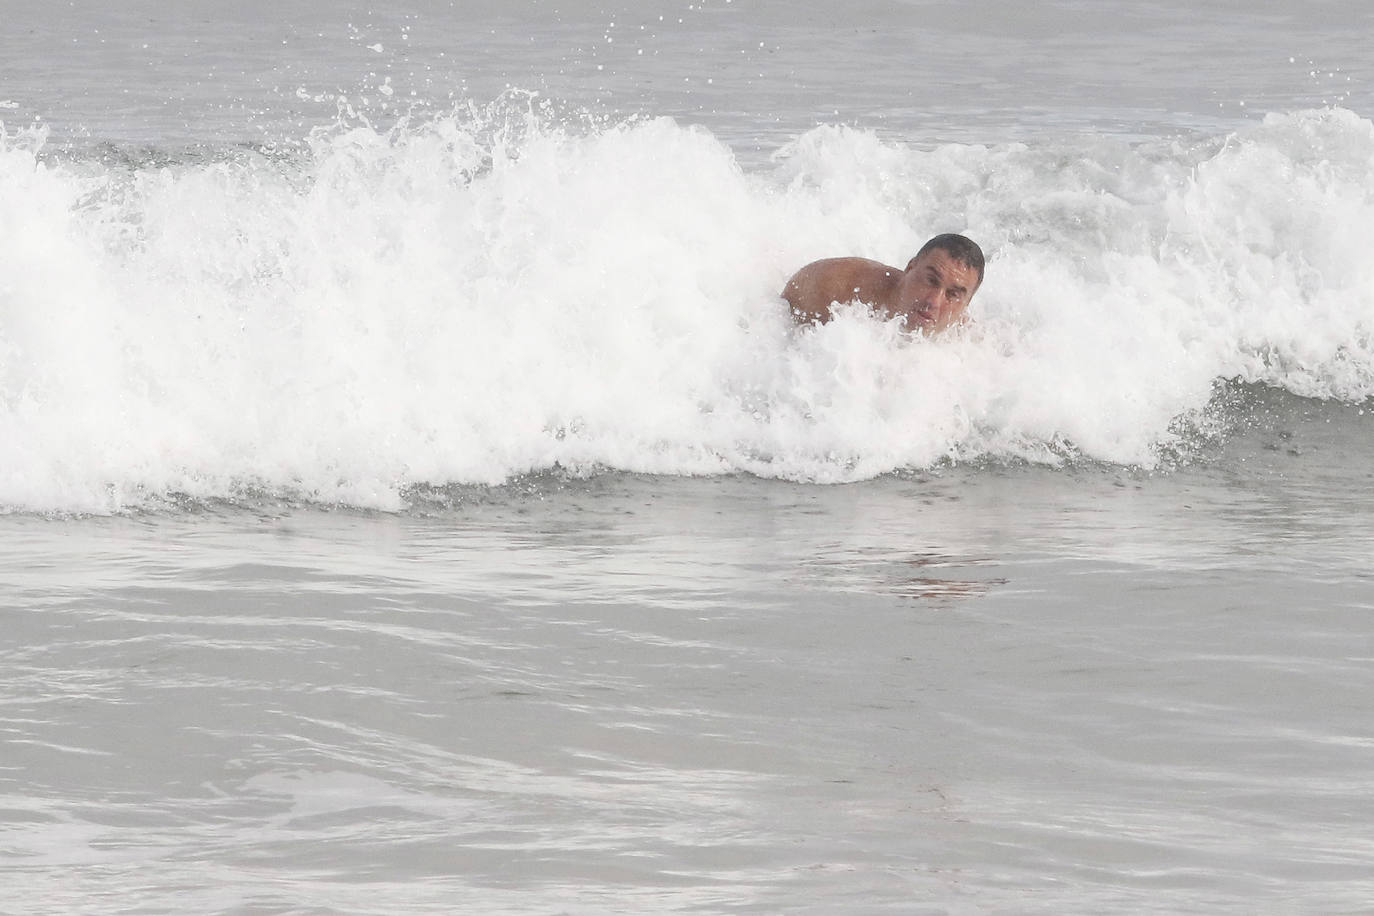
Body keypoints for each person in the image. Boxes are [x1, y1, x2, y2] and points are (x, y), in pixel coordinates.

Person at [782, 233, 984, 335]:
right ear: (910, 267)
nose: (934, 301)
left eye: (953, 295)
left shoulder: (966, 339)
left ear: (966, 304)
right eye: (931, 281)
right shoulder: (834, 288)